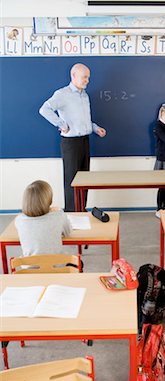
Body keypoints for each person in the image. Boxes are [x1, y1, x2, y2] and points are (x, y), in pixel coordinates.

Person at [39, 63, 106, 212]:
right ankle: (71, 213)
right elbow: (44, 109)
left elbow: (83, 119)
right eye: (84, 77)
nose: (87, 80)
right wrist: (61, 123)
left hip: (85, 141)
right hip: (70, 143)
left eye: (88, 77)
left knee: (84, 178)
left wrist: (95, 128)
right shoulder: (62, 94)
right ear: (73, 76)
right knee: (71, 180)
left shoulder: (85, 95)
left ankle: (81, 210)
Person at [15, 180, 72, 256]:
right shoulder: (58, 216)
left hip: (29, 267)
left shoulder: (19, 220)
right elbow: (67, 233)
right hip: (56, 266)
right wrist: (59, 211)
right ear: (50, 200)